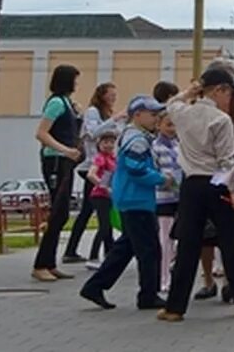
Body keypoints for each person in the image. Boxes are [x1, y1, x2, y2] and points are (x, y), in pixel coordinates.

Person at [159, 68, 234, 322]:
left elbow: (171, 103)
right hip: (217, 183)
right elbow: (227, 161)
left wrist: (190, 91)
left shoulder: (183, 113)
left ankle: (175, 307)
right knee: (229, 242)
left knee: (188, 245)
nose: (230, 100)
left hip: (191, 184)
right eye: (228, 93)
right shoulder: (221, 120)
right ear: (219, 90)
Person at [79, 96, 168, 310]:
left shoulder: (133, 135)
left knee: (126, 247)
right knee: (149, 249)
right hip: (136, 198)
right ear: (137, 115)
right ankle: (148, 295)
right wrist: (162, 179)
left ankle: (95, 286)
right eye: (152, 114)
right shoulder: (136, 139)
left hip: (131, 197)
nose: (156, 118)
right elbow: (135, 168)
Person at [198, 59, 234, 298]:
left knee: (218, 227)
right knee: (224, 227)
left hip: (215, 169)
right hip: (223, 169)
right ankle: (223, 281)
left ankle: (216, 280)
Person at [33, 64, 83, 282]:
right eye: (75, 80)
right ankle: (41, 263)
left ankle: (50, 262)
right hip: (55, 160)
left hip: (65, 161)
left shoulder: (67, 104)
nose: (77, 84)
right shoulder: (55, 103)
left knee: (61, 212)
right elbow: (42, 133)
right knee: (58, 212)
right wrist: (65, 150)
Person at [65, 82, 123, 265]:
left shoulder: (106, 114)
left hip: (105, 166)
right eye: (110, 94)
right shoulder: (93, 112)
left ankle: (73, 249)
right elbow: (91, 133)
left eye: (115, 94)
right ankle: (105, 250)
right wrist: (114, 120)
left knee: (88, 211)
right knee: (101, 210)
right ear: (102, 95)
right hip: (93, 166)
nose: (114, 97)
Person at [152, 108, 183, 294]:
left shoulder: (180, 146)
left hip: (180, 197)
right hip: (163, 198)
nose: (172, 129)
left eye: (175, 125)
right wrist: (165, 181)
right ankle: (164, 278)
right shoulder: (155, 147)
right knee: (165, 239)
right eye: (168, 124)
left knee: (179, 238)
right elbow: (154, 171)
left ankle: (175, 271)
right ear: (159, 125)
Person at [83, 127, 120, 269]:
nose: (109, 145)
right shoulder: (100, 158)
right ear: (99, 144)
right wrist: (103, 186)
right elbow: (91, 174)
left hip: (110, 196)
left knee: (108, 226)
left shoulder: (114, 159)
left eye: (112, 142)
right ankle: (93, 257)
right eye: (105, 142)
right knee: (104, 226)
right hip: (100, 196)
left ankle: (109, 255)